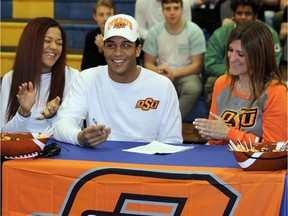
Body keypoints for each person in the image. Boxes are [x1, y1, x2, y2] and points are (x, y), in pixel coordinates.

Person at [54, 14, 183, 147]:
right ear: (103, 49)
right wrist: (79, 137)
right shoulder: (87, 79)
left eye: (126, 45)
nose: (117, 53)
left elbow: (172, 141)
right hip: (101, 164)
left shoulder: (162, 86)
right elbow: (62, 124)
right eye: (111, 45)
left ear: (138, 50)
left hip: (146, 164)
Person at [193, 21, 288, 145]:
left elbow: (275, 147)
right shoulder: (222, 83)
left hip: (259, 162)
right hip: (221, 158)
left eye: (240, 54)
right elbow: (214, 141)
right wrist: (210, 132)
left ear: (258, 56)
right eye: (230, 50)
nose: (232, 58)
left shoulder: (275, 91)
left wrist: (228, 133)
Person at [0, 17, 79, 133]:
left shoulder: (72, 76)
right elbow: (3, 132)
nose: (54, 47)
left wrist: (53, 116)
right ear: (31, 44)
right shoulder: (10, 78)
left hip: (58, 148)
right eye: (47, 41)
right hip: (21, 149)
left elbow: (74, 130)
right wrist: (23, 112)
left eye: (59, 43)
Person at [204, 0, 282, 107]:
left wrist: (245, 71)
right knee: (213, 82)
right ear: (233, 15)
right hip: (225, 74)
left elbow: (272, 63)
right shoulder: (220, 33)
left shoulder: (268, 34)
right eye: (239, 13)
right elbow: (210, 62)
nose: (243, 17)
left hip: (260, 78)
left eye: (248, 13)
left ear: (256, 15)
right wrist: (234, 70)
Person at [143, 0, 206, 120]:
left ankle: (171, 121)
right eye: (168, 9)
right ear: (162, 11)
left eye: (176, 8)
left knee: (193, 88)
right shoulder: (154, 32)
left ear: (182, 9)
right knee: (147, 88)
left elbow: (197, 66)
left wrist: (172, 73)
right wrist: (159, 71)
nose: (172, 12)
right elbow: (148, 63)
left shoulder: (194, 31)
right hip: (161, 74)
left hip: (187, 74)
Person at [81, 0, 115, 70]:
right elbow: (85, 68)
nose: (105, 18)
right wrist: (100, 52)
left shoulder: (121, 35)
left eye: (108, 14)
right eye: (101, 14)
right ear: (95, 16)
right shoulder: (91, 36)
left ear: (114, 16)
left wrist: (104, 49)